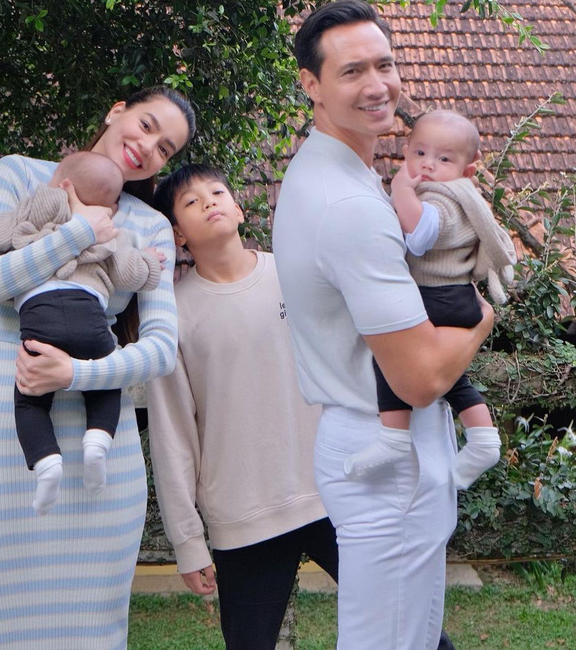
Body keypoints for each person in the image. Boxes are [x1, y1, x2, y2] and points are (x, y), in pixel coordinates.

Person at [0, 85, 195, 650]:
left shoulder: (149, 226)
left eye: (166, 149)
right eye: (147, 125)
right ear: (116, 110)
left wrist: (74, 375)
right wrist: (78, 234)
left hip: (100, 468)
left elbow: (160, 350)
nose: (149, 148)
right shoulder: (19, 175)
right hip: (0, 452)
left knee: (94, 635)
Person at [272, 2, 494, 649]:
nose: (377, 85)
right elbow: (419, 377)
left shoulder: (334, 171)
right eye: (352, 71)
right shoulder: (348, 203)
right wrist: (483, 315)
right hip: (385, 452)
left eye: (385, 64)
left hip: (376, 442)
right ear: (311, 85)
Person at [147, 163, 339, 650]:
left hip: (336, 492)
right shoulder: (173, 314)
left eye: (217, 192)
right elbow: (172, 435)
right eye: (191, 202)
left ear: (237, 208)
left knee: (414, 624)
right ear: (178, 234)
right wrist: (187, 541)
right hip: (243, 515)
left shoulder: (296, 273)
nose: (209, 202)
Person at [0, 151, 165, 515]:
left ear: (62, 184)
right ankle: (97, 441)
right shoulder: (114, 230)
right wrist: (150, 262)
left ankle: (46, 461)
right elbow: (132, 274)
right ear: (111, 205)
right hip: (90, 319)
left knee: (29, 398)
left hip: (40, 318)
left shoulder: (39, 204)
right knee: (106, 384)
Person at [345, 109, 516, 488]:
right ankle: (484, 438)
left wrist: (402, 190)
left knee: (390, 355)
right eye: (420, 153)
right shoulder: (457, 194)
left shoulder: (444, 198)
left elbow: (421, 238)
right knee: (452, 377)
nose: (428, 165)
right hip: (456, 298)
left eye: (443, 159)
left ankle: (393, 436)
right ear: (405, 151)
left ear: (467, 170)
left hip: (438, 296)